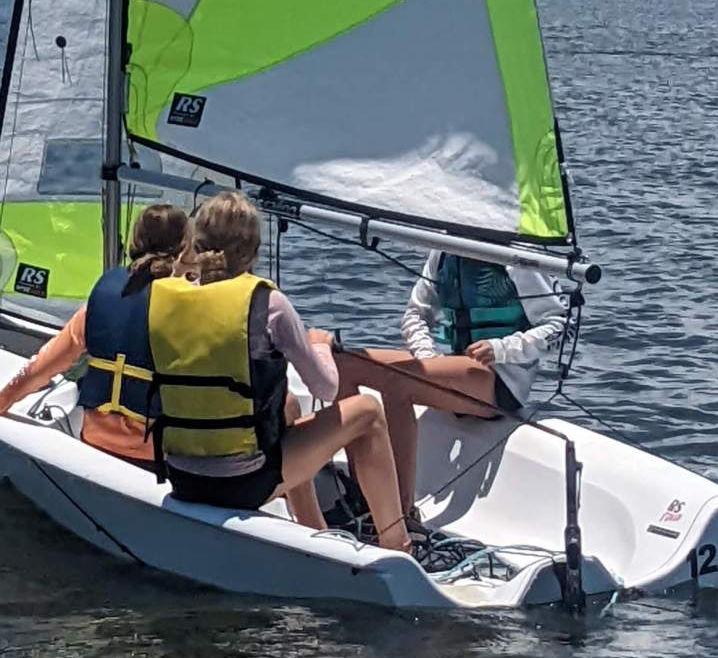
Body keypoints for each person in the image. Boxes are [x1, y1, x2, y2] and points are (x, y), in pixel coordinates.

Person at [148, 191, 410, 553]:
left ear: (195, 242)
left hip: (181, 475)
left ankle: (311, 531)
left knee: (288, 406)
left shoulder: (164, 296)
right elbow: (327, 388)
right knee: (368, 412)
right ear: (253, 250)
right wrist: (318, 343)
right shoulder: (267, 303)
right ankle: (398, 544)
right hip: (242, 482)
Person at [332, 250, 566, 528]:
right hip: (457, 368)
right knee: (343, 363)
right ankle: (363, 496)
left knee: (399, 382)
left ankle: (400, 516)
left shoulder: (516, 259)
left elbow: (561, 327)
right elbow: (416, 313)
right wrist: (427, 358)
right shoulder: (444, 251)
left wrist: (501, 349)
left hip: (501, 380)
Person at [0, 204, 194, 466]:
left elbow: (48, 362)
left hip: (96, 440)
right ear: (184, 248)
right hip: (159, 453)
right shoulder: (188, 301)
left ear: (134, 241)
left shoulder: (104, 294)